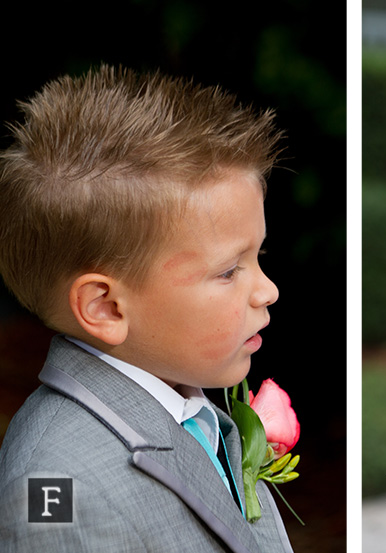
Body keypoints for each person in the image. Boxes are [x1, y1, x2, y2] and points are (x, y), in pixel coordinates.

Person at [0, 66, 291, 552]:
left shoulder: (191, 406)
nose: (268, 291)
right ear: (107, 307)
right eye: (227, 271)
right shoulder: (58, 490)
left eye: (258, 258)